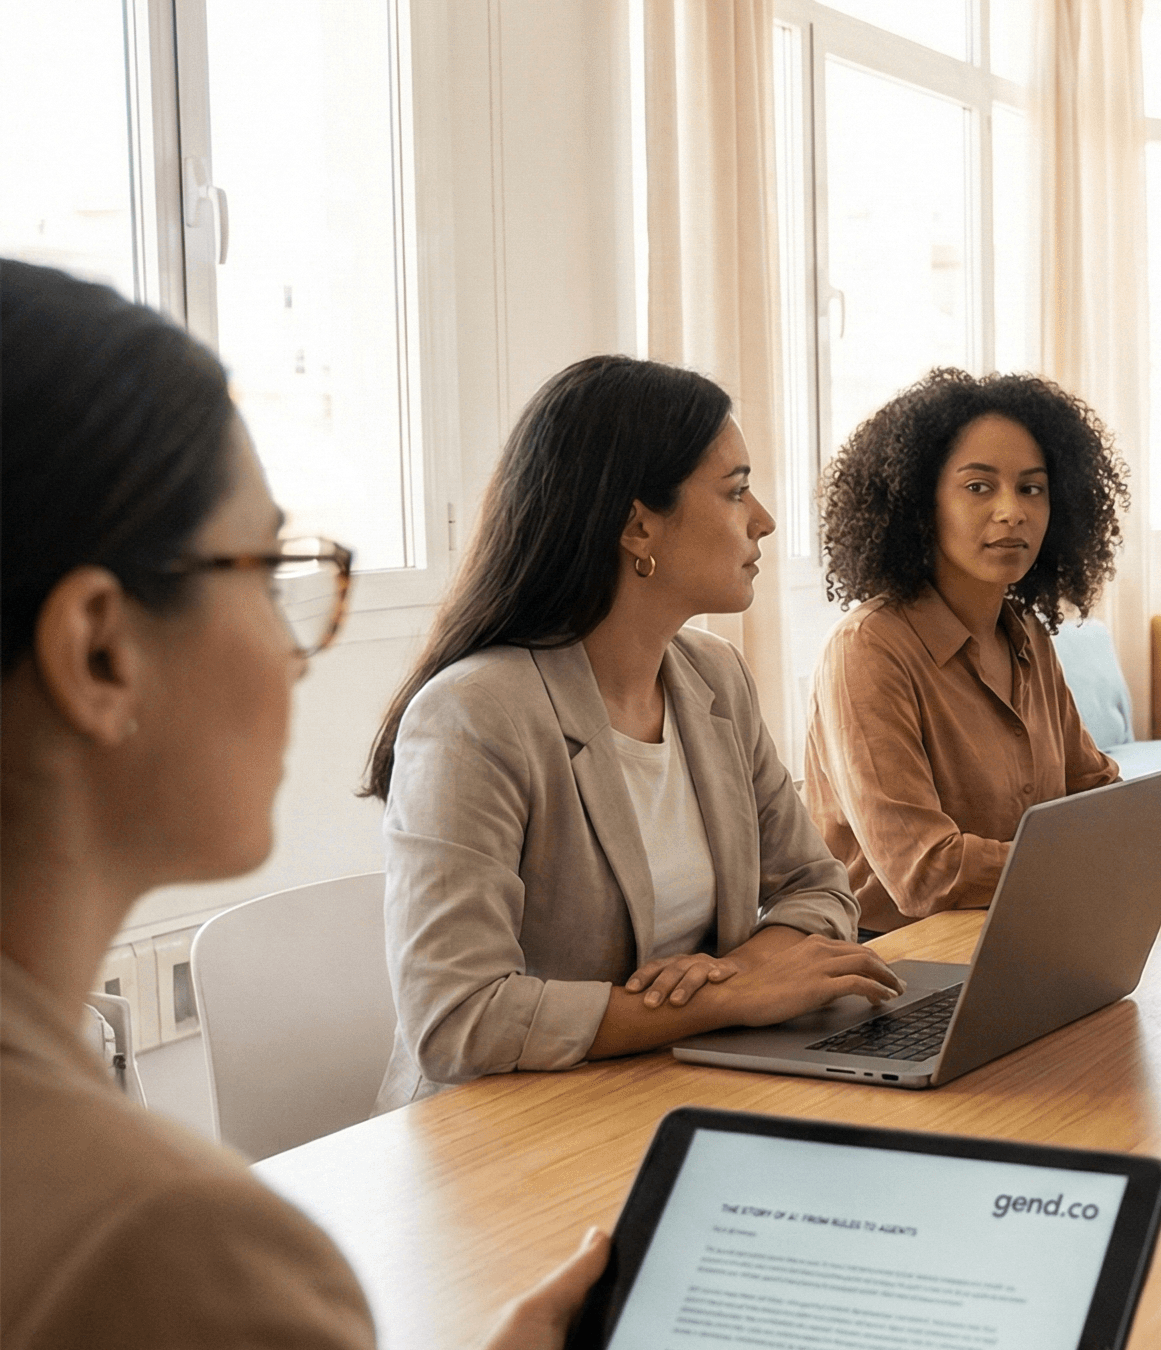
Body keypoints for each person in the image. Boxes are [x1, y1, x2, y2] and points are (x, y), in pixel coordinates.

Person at [0, 259, 957, 1350]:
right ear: (101, 648)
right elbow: (458, 1017)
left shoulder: (712, 682)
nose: (309, 634)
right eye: (270, 564)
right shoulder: (163, 1252)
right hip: (504, 1175)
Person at [365, 356, 902, 1106]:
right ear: (637, 522)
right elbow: (457, 1018)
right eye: (736, 491)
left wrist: (746, 974)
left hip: (669, 1092)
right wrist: (722, 1001)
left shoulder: (713, 677)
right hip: (503, 1137)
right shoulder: (474, 715)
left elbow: (816, 885)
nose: (764, 520)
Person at [805, 368, 1161, 926]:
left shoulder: (1023, 631)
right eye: (979, 487)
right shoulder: (867, 650)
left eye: (1032, 487)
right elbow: (927, 873)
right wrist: (1158, 858)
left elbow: (1095, 797)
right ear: (917, 502)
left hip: (1027, 924)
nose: (1012, 510)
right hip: (901, 960)